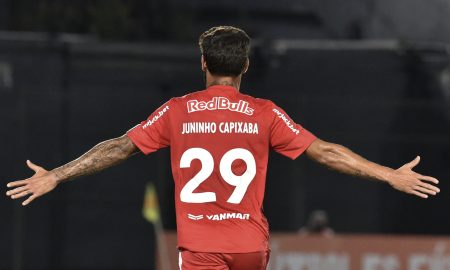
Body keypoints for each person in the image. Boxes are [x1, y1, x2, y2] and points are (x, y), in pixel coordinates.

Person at [6, 26, 440, 270]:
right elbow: (324, 151)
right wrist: (388, 174)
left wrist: (56, 175)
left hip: (201, 248)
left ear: (203, 63)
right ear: (245, 67)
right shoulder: (265, 113)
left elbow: (119, 148)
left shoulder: (177, 111)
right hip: (251, 246)